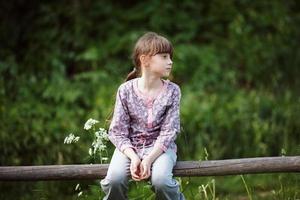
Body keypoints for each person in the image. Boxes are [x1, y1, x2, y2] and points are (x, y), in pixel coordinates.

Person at [100, 32, 185, 200]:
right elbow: (117, 131)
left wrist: (148, 159)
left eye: (170, 57)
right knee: (114, 181)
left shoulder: (173, 91)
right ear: (145, 60)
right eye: (164, 57)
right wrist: (133, 157)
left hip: (161, 149)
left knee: (161, 181)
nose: (170, 62)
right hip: (129, 148)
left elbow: (170, 131)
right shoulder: (125, 90)